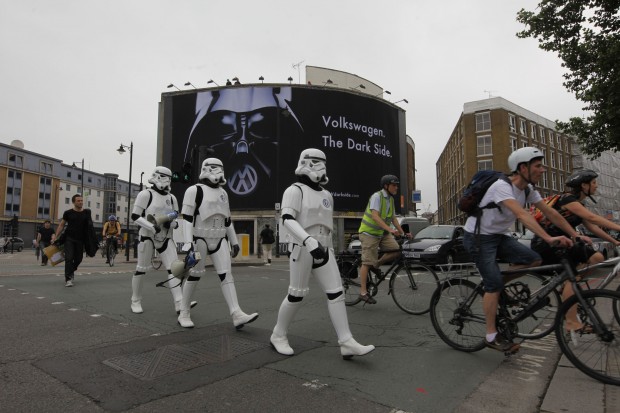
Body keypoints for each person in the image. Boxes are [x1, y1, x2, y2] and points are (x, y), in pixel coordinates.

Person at [462, 147, 590, 353]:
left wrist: (574, 235)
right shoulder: (501, 187)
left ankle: (493, 286)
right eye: (538, 166)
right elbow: (522, 215)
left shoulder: (528, 190)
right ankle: (491, 335)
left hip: (498, 236)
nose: (543, 170)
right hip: (478, 238)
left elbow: (551, 213)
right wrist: (548, 238)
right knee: (493, 284)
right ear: (523, 167)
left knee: (534, 260)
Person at [270, 148, 374, 359]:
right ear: (305, 163)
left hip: (324, 247)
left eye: (322, 162)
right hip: (302, 247)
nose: (320, 167)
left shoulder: (327, 194)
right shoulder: (294, 190)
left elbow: (327, 226)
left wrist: (329, 248)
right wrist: (307, 241)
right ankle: (278, 335)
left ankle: (346, 341)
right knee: (296, 294)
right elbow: (287, 219)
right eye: (316, 162)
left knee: (336, 292)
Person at [531, 169, 620, 332]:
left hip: (565, 243)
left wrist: (616, 241)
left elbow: (592, 227)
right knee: (573, 277)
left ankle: (568, 285)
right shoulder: (568, 199)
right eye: (594, 183)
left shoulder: (579, 204)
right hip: (548, 243)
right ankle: (571, 322)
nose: (597, 186)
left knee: (596, 258)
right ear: (584, 185)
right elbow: (593, 218)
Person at [177, 158, 258, 329]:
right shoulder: (194, 190)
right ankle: (184, 311)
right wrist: (187, 243)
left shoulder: (223, 193)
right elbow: (187, 218)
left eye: (220, 168)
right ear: (206, 169)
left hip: (220, 238)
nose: (218, 172)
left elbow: (227, 219)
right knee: (195, 273)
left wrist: (234, 241)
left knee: (226, 274)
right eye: (214, 168)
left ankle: (236, 313)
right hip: (200, 238)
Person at [130, 166, 186, 315]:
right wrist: (151, 226)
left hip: (166, 237)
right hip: (147, 235)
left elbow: (175, 219)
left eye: (168, 178)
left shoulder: (172, 198)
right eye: (162, 177)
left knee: (175, 269)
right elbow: (135, 216)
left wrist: (170, 223)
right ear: (156, 176)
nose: (165, 181)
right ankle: (135, 300)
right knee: (141, 269)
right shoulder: (145, 194)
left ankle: (179, 302)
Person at [357, 175, 410, 304]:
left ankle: (377, 265)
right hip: (369, 233)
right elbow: (375, 216)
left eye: (397, 185)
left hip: (382, 233)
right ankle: (363, 292)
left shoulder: (390, 200)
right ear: (386, 186)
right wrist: (391, 230)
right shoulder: (377, 196)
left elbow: (393, 218)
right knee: (367, 262)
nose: (396, 187)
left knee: (397, 250)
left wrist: (403, 233)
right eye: (394, 185)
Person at [54, 195, 91, 287]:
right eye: (78, 201)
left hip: (80, 239)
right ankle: (68, 279)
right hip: (69, 238)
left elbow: (89, 227)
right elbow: (62, 225)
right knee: (69, 258)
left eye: (81, 200)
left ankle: (70, 271)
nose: (81, 202)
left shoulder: (86, 213)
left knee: (79, 259)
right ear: (74, 202)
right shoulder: (68, 213)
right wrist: (56, 236)